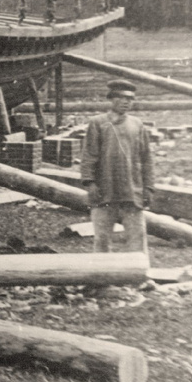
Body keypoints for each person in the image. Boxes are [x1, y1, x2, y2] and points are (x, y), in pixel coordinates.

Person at [80, 80, 153, 256]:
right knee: (102, 239)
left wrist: (149, 188)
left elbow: (146, 158)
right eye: (121, 98)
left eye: (130, 98)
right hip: (104, 192)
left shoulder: (137, 124)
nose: (126, 102)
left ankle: (137, 278)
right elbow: (89, 155)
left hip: (131, 191)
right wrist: (90, 183)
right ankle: (103, 280)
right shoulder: (98, 123)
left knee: (137, 238)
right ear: (111, 100)